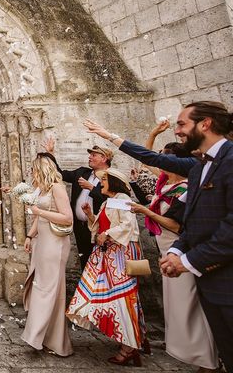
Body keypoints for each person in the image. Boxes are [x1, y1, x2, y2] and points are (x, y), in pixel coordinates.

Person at [156, 101, 233, 373]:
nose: (177, 131)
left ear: (206, 124)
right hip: (210, 284)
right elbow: (193, 221)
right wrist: (176, 251)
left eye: (182, 124)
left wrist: (187, 261)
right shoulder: (199, 167)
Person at [129, 142, 219, 371]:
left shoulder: (186, 189)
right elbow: (149, 161)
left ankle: (207, 358)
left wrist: (146, 211)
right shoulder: (167, 183)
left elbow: (178, 227)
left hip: (182, 252)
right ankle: (190, 352)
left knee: (190, 305)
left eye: (165, 157)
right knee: (175, 304)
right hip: (167, 249)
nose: (161, 160)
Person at [67, 168, 145, 367]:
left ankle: (129, 347)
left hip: (119, 256)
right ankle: (133, 338)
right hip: (106, 255)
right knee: (107, 296)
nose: (101, 183)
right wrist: (90, 215)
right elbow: (99, 227)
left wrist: (108, 233)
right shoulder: (107, 202)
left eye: (104, 180)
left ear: (113, 182)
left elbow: (127, 226)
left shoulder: (121, 199)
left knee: (122, 298)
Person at [3, 154, 74, 356]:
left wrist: (38, 212)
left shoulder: (58, 188)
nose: (31, 174)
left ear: (42, 169)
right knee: (42, 286)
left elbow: (67, 218)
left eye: (34, 170)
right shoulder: (42, 188)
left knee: (48, 289)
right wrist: (29, 235)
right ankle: (50, 339)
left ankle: (37, 336)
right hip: (42, 240)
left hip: (55, 243)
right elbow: (35, 208)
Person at [44, 138, 111, 270]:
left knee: (101, 262)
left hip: (100, 228)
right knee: (85, 261)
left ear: (104, 158)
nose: (89, 157)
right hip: (80, 227)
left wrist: (91, 188)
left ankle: (100, 289)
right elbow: (60, 174)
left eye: (93, 155)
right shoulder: (82, 172)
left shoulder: (112, 177)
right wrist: (51, 154)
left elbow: (110, 199)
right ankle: (86, 289)